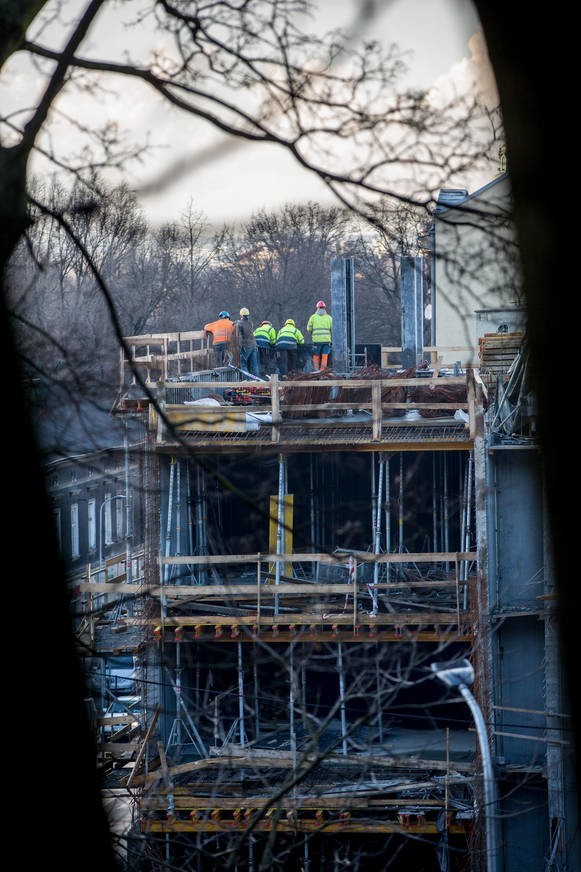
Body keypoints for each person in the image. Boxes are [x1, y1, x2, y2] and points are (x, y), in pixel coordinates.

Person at [307, 299, 333, 371]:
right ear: (324, 308)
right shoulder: (329, 318)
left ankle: (316, 370)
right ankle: (322, 370)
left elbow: (309, 328)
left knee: (316, 355)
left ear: (317, 308)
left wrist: (313, 333)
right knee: (325, 356)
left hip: (316, 340)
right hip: (326, 340)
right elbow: (333, 329)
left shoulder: (313, 317)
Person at [235, 307, 259, 376]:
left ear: (241, 315)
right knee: (254, 364)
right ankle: (256, 381)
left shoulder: (240, 324)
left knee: (243, 363)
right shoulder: (250, 323)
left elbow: (239, 336)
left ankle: (247, 381)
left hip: (246, 346)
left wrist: (240, 347)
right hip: (254, 345)